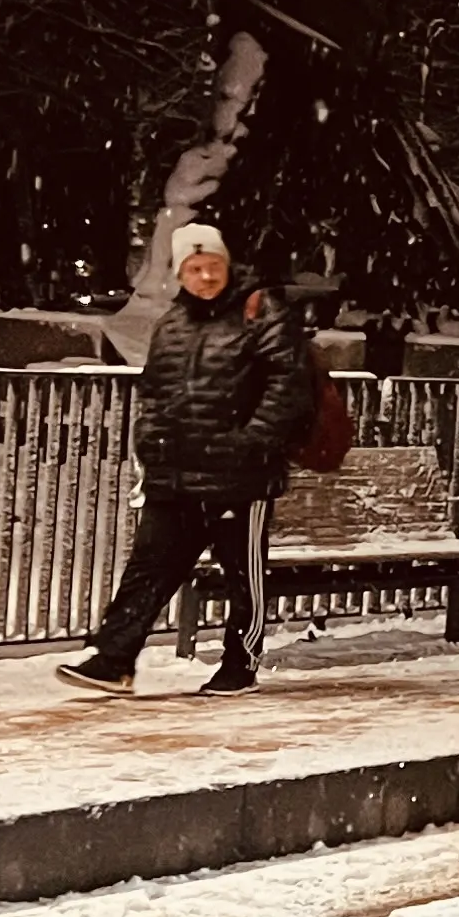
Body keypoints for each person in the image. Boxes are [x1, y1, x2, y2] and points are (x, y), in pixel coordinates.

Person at [61, 221, 319, 698]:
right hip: (175, 473)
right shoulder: (173, 325)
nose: (204, 277)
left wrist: (250, 443)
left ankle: (240, 664)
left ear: (227, 264)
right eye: (194, 268)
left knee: (243, 577)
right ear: (180, 274)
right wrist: (151, 443)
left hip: (241, 475)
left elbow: (287, 387)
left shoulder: (261, 313)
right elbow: (155, 394)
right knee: (148, 568)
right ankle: (114, 659)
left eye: (212, 266)